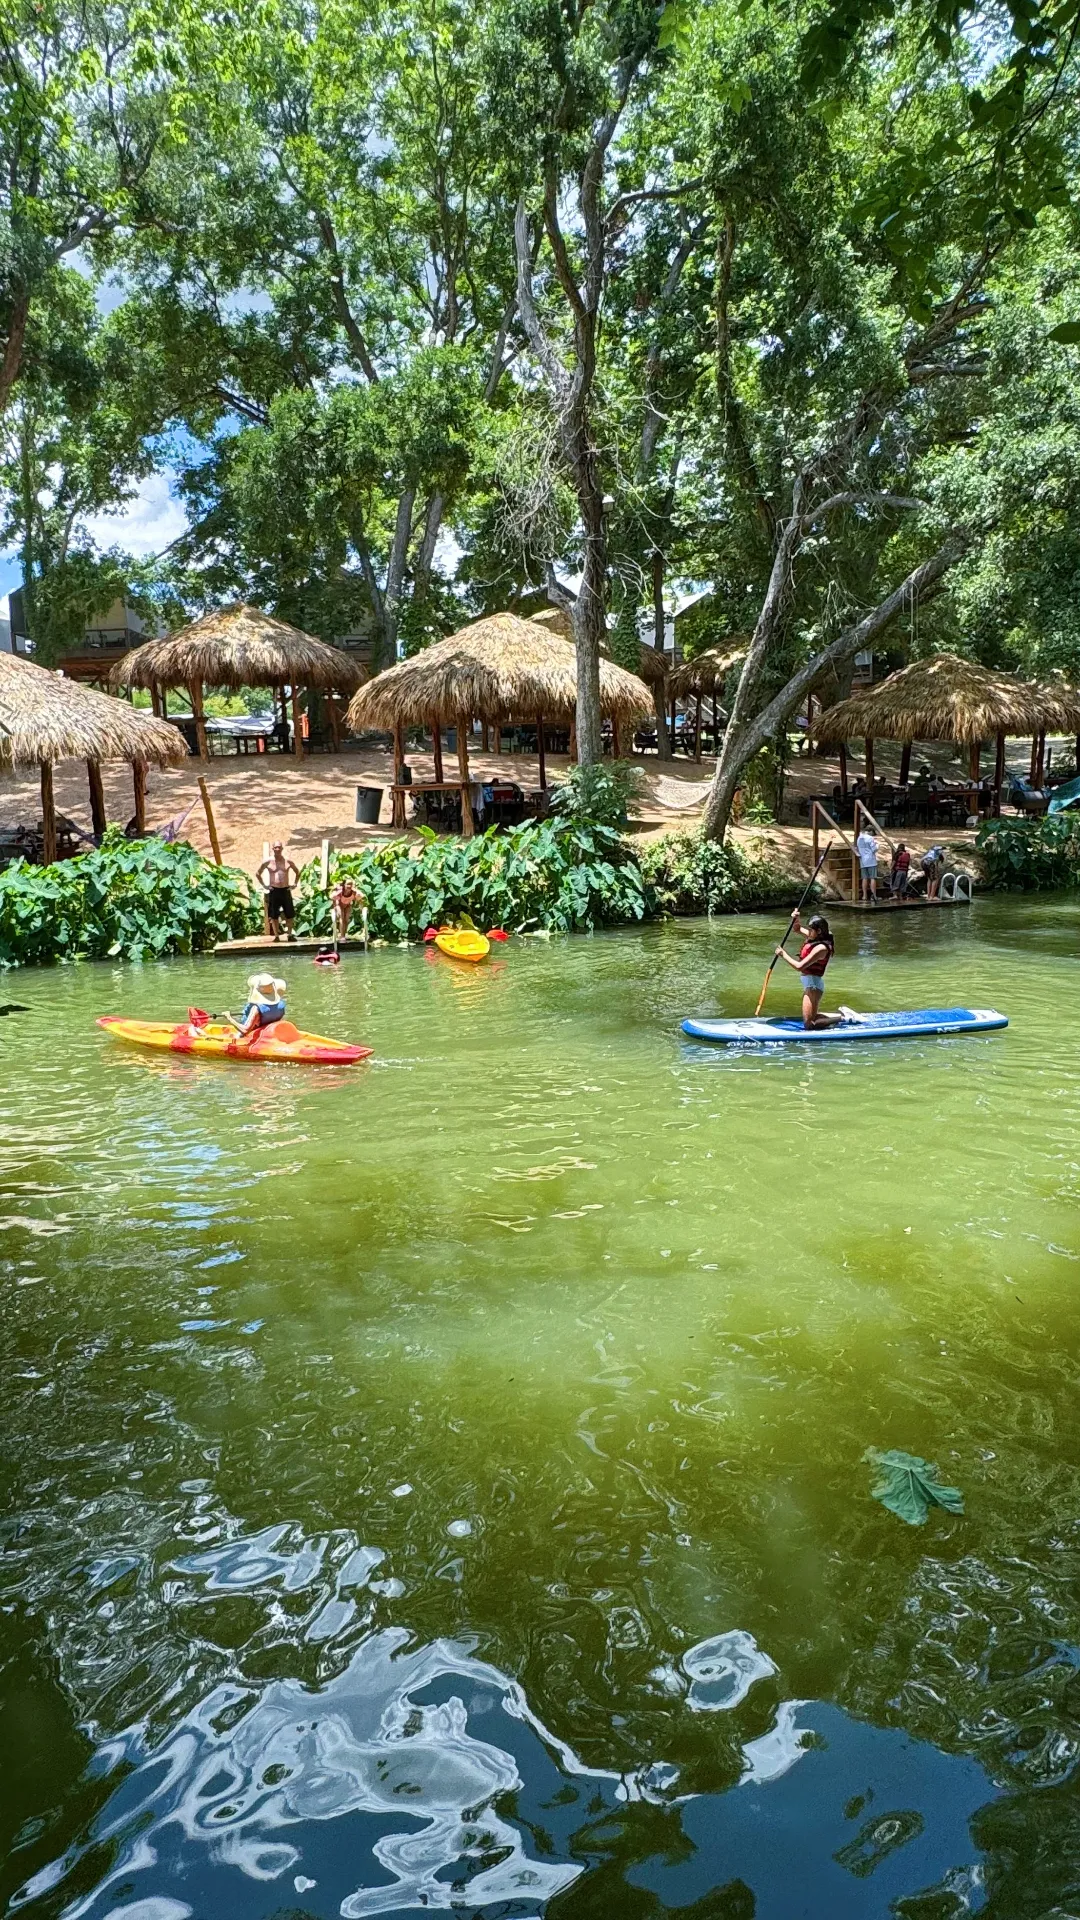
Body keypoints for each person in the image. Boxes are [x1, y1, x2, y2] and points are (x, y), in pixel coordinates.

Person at [773, 912, 845, 1030]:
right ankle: (840, 1016)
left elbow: (800, 966)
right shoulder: (815, 936)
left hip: (813, 985)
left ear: (819, 931)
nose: (808, 932)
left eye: (811, 930)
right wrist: (796, 918)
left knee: (809, 1024)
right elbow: (797, 929)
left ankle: (842, 1018)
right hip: (811, 984)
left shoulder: (821, 948)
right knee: (812, 1019)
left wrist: (783, 954)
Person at [256, 841, 300, 941]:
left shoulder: (287, 861)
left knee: (289, 913)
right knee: (274, 914)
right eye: (275, 847)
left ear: (282, 849)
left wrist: (295, 884)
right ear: (273, 849)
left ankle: (289, 934)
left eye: (279, 847)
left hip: (285, 889)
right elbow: (258, 873)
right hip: (274, 890)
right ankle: (276, 936)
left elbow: (297, 872)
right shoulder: (268, 861)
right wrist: (264, 886)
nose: (277, 849)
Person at [330, 873, 363, 942]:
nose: (349, 886)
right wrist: (334, 906)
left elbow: (360, 898)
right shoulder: (340, 892)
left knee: (346, 920)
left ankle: (343, 934)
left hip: (347, 905)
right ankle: (341, 936)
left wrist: (361, 908)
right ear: (344, 885)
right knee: (341, 918)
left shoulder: (354, 892)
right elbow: (332, 897)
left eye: (351, 884)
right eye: (348, 884)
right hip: (339, 905)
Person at [855, 822, 879, 904]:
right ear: (871, 832)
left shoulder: (859, 838)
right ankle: (873, 896)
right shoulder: (870, 838)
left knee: (864, 878)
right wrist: (877, 845)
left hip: (862, 861)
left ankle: (864, 895)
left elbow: (858, 848)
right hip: (871, 861)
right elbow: (874, 849)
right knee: (873, 878)